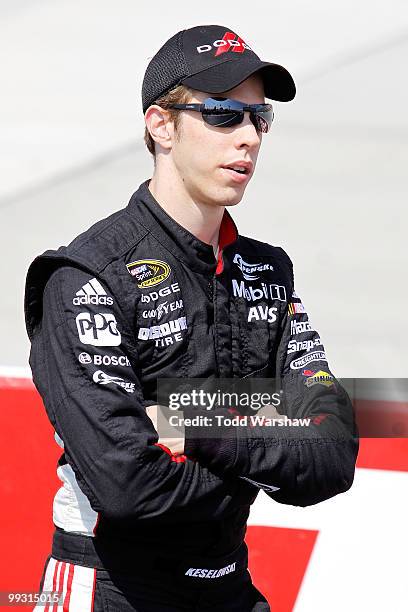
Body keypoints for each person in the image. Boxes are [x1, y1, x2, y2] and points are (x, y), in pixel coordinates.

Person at [24, 24, 358, 612]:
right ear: (161, 125)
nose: (250, 137)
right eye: (226, 115)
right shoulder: (86, 276)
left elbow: (332, 456)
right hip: (110, 587)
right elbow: (126, 486)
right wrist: (272, 425)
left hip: (228, 584)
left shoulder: (267, 270)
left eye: (261, 118)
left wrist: (200, 426)